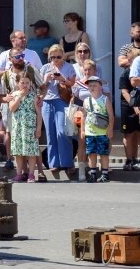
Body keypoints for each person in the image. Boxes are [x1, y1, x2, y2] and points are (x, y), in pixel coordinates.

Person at [39, 44, 76, 172]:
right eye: (53, 57)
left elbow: (73, 84)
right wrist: (46, 80)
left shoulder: (68, 67)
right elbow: (40, 87)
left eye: (58, 56)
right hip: (47, 101)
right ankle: (53, 163)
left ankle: (67, 162)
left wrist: (62, 79)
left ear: (63, 55)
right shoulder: (45, 68)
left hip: (62, 100)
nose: (56, 59)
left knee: (62, 131)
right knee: (50, 133)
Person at [7, 75, 42, 183]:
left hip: (30, 127)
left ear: (30, 83)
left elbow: (38, 114)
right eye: (22, 82)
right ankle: (19, 174)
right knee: (18, 152)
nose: (25, 85)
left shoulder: (34, 96)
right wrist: (19, 96)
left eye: (27, 83)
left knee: (31, 152)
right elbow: (12, 108)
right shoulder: (13, 95)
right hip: (18, 127)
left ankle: (31, 174)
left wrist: (38, 128)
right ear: (18, 83)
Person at [80, 76, 115, 183]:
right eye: (90, 85)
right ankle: (93, 173)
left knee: (103, 153)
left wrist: (110, 129)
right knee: (91, 153)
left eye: (95, 85)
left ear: (100, 87)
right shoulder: (86, 100)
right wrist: (82, 130)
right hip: (90, 132)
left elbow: (111, 116)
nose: (92, 87)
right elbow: (84, 116)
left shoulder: (105, 99)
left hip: (102, 132)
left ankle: (105, 173)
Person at [119, 49, 140, 171]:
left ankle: (135, 158)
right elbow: (125, 92)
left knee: (137, 133)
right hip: (128, 106)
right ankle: (129, 159)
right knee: (128, 134)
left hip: (138, 106)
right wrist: (135, 106)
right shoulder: (125, 74)